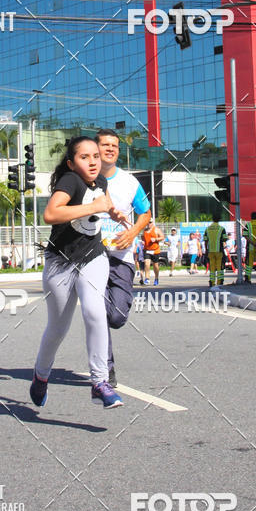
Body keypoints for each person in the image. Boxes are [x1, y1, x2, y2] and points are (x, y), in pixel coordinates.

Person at [30, 136, 126, 410]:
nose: (93, 161)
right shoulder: (70, 181)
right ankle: (41, 375)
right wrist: (95, 207)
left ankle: (100, 382)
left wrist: (114, 213)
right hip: (60, 261)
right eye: (85, 157)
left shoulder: (102, 183)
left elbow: (102, 205)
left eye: (96, 156)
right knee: (57, 329)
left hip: (93, 257)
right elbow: (51, 213)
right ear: (72, 163)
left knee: (94, 311)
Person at [95, 129, 151, 387]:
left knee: (116, 316)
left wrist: (133, 232)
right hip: (91, 258)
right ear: (96, 149)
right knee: (97, 313)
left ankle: (104, 320)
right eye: (105, 145)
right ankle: (106, 369)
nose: (110, 149)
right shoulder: (82, 179)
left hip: (122, 258)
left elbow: (145, 213)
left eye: (114, 146)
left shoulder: (130, 182)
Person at [204, 213, 227, 287]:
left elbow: (205, 240)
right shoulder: (221, 228)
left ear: (212, 219)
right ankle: (219, 282)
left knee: (212, 267)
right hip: (219, 250)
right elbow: (225, 239)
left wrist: (206, 249)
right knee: (219, 267)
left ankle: (212, 282)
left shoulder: (207, 229)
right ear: (219, 219)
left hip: (210, 251)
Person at [142, 220, 164, 286]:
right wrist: (143, 241)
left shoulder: (156, 230)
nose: (149, 223)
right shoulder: (145, 230)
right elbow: (143, 237)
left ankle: (156, 278)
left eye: (150, 222)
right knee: (146, 263)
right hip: (147, 250)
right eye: (148, 222)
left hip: (155, 250)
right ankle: (147, 278)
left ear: (153, 223)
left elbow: (162, 237)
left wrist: (156, 239)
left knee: (155, 265)